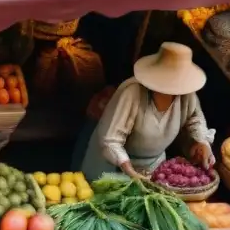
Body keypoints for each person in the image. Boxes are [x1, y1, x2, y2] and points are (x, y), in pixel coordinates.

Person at [79, 42, 215, 180]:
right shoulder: (133, 93)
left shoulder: (187, 95)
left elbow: (195, 120)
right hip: (115, 167)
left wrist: (202, 142)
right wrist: (130, 171)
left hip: (154, 166)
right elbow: (111, 140)